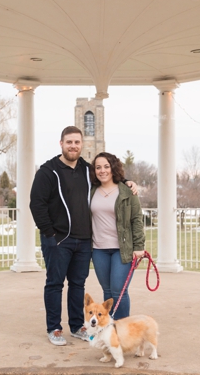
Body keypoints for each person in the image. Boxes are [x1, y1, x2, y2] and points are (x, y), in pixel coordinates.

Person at [30, 126, 136, 346]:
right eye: (69, 142)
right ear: (61, 143)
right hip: (57, 240)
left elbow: (108, 176)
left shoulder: (87, 170)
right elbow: (37, 204)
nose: (73, 146)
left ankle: (77, 325)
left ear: (82, 145)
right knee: (55, 284)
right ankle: (55, 328)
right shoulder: (48, 171)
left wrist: (127, 183)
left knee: (78, 285)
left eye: (77, 142)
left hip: (85, 240)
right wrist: (49, 233)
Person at [89, 151, 148, 321]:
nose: (102, 171)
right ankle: (110, 330)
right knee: (107, 292)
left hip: (122, 250)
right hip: (98, 249)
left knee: (118, 290)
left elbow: (137, 219)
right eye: (98, 167)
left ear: (113, 168)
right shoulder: (91, 190)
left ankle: (123, 328)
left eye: (106, 166)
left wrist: (139, 247)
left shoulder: (127, 191)